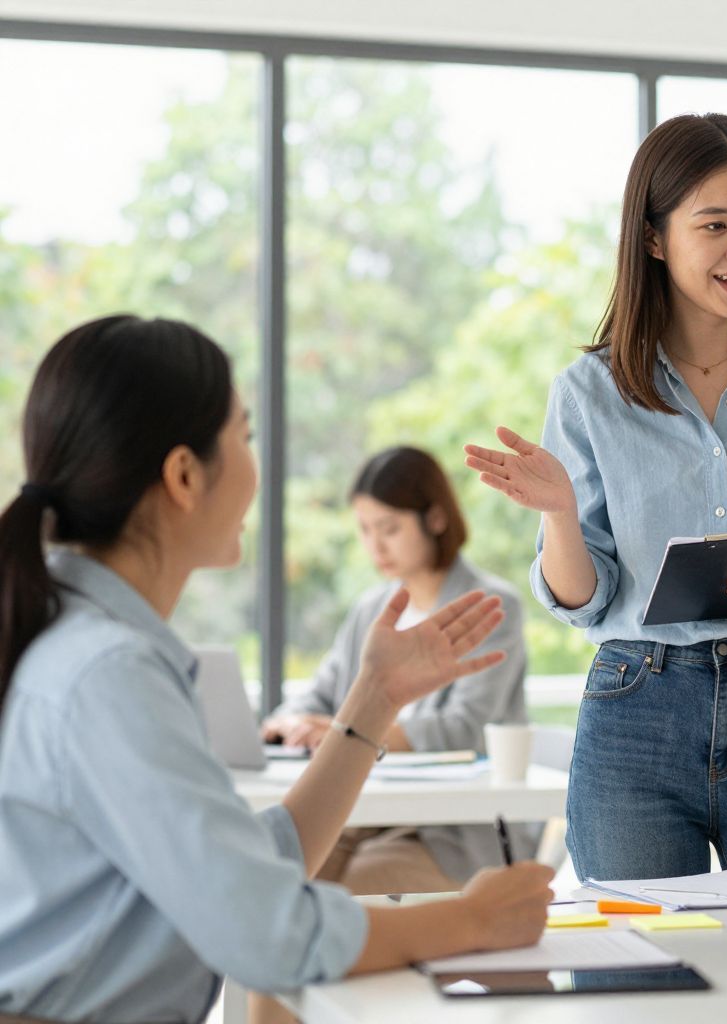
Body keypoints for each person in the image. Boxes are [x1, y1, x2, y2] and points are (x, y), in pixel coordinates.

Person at [0, 316, 551, 1023]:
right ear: (184, 475)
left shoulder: (72, 639)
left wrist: (374, 698)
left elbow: (246, 873)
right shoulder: (108, 674)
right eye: (246, 436)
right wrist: (470, 919)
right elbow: (271, 934)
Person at [464, 113, 727, 880]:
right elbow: (584, 599)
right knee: (637, 952)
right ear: (655, 239)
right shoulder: (589, 392)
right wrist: (560, 516)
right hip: (637, 711)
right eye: (715, 226)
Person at [263, 445, 531, 894]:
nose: (376, 545)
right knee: (282, 876)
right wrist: (291, 723)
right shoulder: (373, 609)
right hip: (365, 814)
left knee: (338, 896)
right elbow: (320, 694)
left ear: (436, 518)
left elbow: (464, 729)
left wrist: (349, 733)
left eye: (389, 528)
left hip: (447, 830)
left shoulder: (488, 606)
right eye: (365, 529)